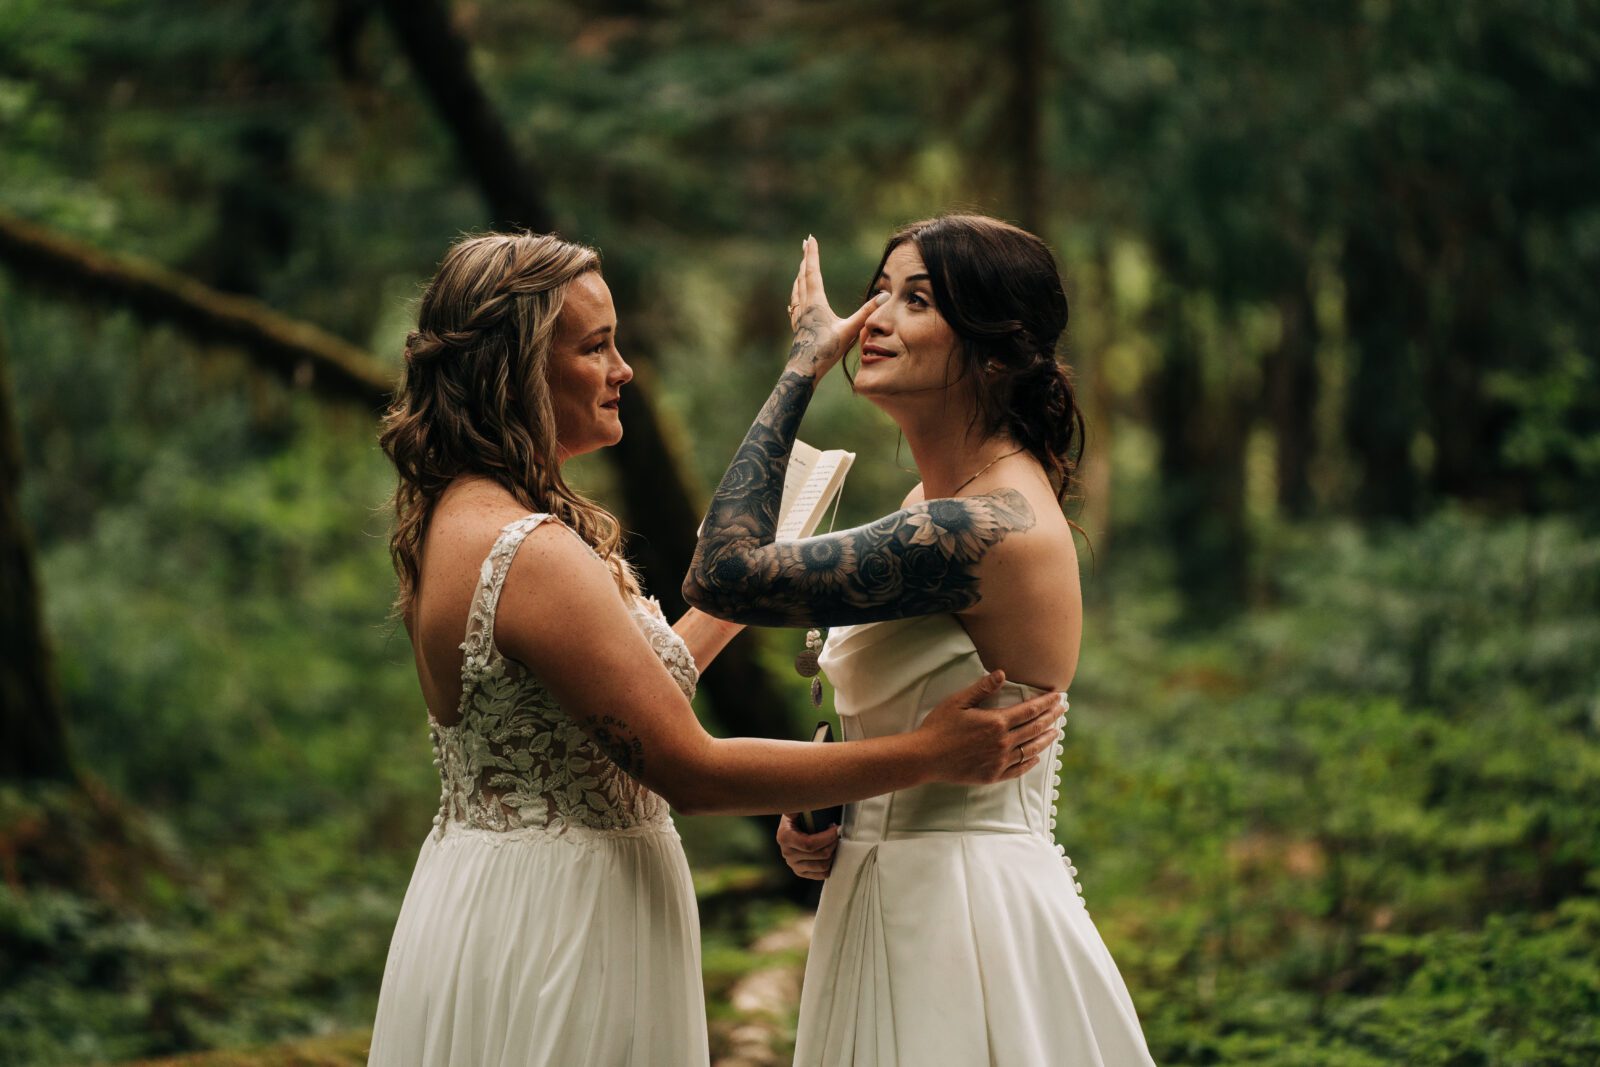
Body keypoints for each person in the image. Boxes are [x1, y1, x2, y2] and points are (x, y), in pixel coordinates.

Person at [364, 231, 1067, 1066]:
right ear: (512, 370)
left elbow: (620, 698)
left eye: (916, 299)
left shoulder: (475, 517)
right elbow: (687, 761)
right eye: (597, 347)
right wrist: (919, 756)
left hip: (547, 899)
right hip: (559, 925)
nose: (625, 369)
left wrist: (848, 787)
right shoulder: (529, 549)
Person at [683, 216, 1157, 1065]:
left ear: (996, 349)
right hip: (879, 894)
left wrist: (803, 362)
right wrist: (833, 809)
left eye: (918, 299)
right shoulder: (926, 506)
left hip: (961, 918)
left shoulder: (987, 525)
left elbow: (725, 570)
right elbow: (906, 712)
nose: (873, 319)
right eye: (879, 292)